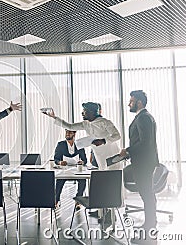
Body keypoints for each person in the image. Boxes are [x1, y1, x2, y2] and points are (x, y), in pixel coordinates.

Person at [119, 90, 159, 230]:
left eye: (131, 101)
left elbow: (145, 142)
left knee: (146, 192)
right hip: (144, 161)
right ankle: (151, 222)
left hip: (143, 163)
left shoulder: (143, 118)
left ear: (139, 102)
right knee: (147, 192)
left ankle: (150, 224)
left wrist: (128, 151)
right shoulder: (144, 117)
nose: (129, 104)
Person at [45, 102, 121, 171]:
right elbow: (70, 127)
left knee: (114, 177)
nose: (82, 113)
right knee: (104, 175)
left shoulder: (105, 122)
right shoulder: (85, 124)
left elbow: (117, 135)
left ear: (91, 112)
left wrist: (103, 141)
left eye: (84, 111)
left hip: (111, 153)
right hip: (99, 155)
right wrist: (54, 117)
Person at [54, 129, 87, 210]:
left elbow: (85, 160)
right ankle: (56, 201)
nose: (67, 134)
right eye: (66, 132)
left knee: (83, 181)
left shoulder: (79, 144)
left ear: (74, 134)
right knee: (59, 181)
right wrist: (60, 162)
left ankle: (78, 201)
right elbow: (56, 159)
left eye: (69, 132)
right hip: (64, 170)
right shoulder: (60, 144)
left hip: (76, 170)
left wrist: (82, 162)